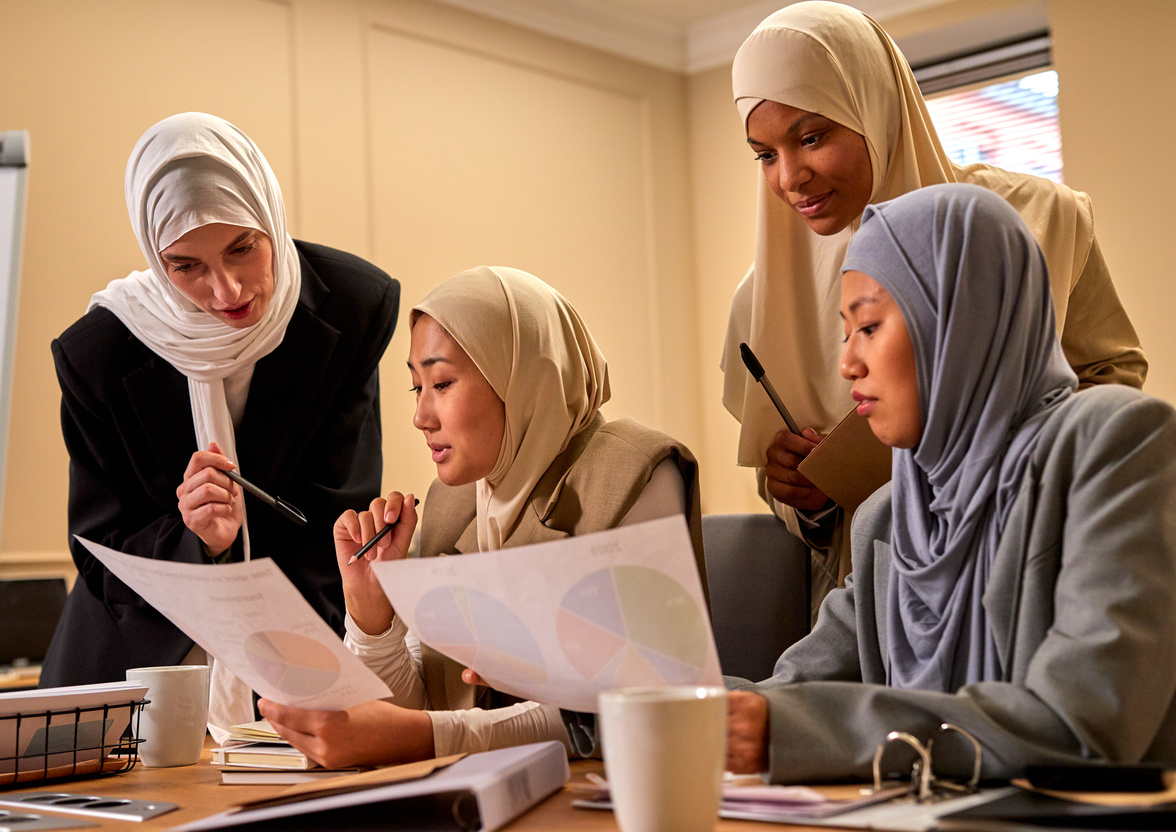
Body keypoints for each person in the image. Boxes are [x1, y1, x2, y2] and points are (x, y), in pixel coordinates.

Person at [725, 183, 1176, 782]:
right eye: (844, 333)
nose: (847, 364)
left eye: (869, 326)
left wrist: (793, 728)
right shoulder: (888, 513)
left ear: (961, 318)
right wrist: (641, 695)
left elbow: (1086, 722)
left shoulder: (1116, 442)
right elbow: (790, 692)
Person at [720, 1, 1147, 614]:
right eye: (765, 154)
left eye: (812, 137)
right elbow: (788, 495)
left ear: (875, 108)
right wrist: (798, 496)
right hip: (881, 598)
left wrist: (1012, 445)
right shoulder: (760, 302)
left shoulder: (1036, 219)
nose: (789, 177)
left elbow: (1112, 379)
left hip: (1039, 561)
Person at [40, 113, 401, 736]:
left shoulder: (353, 305)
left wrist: (295, 681)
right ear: (156, 258)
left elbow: (334, 515)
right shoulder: (99, 353)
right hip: (135, 667)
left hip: (296, 643)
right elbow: (101, 553)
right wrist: (196, 542)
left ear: (270, 218)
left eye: (243, 248)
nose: (226, 288)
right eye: (185, 266)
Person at [259, 266, 706, 766]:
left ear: (524, 378)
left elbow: (628, 710)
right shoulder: (454, 502)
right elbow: (421, 708)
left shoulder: (635, 470)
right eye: (416, 388)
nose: (421, 417)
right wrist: (372, 615)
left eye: (443, 383)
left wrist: (430, 738)